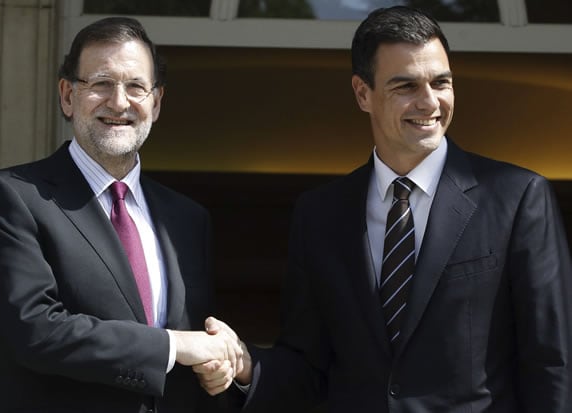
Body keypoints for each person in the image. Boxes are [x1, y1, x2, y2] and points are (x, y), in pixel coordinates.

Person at [195, 6, 572, 412]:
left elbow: (552, 361)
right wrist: (249, 364)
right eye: (405, 86)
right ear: (362, 93)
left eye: (441, 83)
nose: (429, 102)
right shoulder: (320, 214)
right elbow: (308, 366)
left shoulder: (517, 198)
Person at [0, 17, 242, 412]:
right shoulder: (13, 198)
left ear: (156, 102)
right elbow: (33, 330)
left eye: (135, 86)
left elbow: (191, 349)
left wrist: (214, 365)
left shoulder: (187, 219)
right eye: (100, 83)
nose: (119, 102)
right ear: (67, 95)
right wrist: (174, 344)